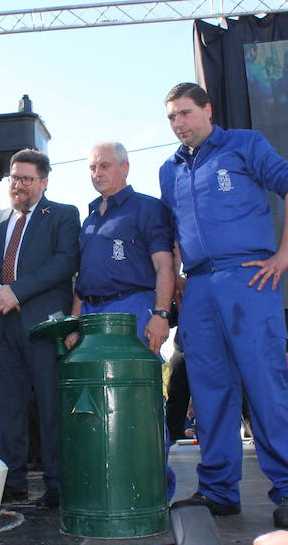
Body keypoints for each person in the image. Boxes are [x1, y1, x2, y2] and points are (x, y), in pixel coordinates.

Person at [161, 83, 288, 528]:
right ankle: (218, 490)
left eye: (186, 114)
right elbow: (172, 233)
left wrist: (283, 256)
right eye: (172, 118)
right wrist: (177, 277)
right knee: (209, 395)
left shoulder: (245, 143)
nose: (179, 124)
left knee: (266, 387)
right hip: (200, 288)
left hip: (249, 278)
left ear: (208, 110)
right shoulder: (169, 169)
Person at [0, 148, 80, 509]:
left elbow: (64, 263)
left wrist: (17, 291)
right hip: (1, 327)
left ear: (44, 182)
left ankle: (58, 483)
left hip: (44, 327)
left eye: (27, 179)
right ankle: (13, 481)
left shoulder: (62, 215)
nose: (19, 185)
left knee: (50, 407)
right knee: (9, 407)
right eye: (14, 178)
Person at [64, 141, 177, 499]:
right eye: (93, 168)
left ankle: (155, 487)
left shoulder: (147, 208)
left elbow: (164, 266)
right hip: (93, 317)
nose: (98, 174)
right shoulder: (89, 217)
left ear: (125, 168)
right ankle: (109, 487)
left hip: (133, 309)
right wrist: (74, 321)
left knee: (140, 401)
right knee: (98, 404)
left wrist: (161, 314)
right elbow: (83, 278)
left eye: (106, 166)